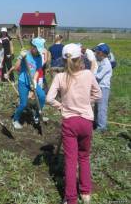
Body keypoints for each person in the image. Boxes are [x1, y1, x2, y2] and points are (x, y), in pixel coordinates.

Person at [46, 43, 102, 204]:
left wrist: (61, 106)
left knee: (70, 161)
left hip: (70, 122)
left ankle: (71, 198)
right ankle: (85, 193)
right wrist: (86, 102)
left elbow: (49, 99)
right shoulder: (88, 74)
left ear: (64, 61)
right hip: (86, 121)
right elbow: (98, 95)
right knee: (84, 157)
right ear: (80, 59)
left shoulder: (60, 77)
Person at [6, 48, 46, 129]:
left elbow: (38, 70)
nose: (37, 51)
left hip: (32, 81)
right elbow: (17, 67)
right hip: (23, 81)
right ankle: (15, 119)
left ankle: (37, 116)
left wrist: (34, 80)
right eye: (36, 49)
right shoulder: (25, 54)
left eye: (39, 50)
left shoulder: (39, 57)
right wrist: (21, 57)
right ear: (32, 47)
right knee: (23, 104)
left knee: (42, 96)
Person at [93, 43, 113, 132]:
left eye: (97, 52)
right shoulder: (103, 62)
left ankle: (102, 127)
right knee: (97, 106)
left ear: (102, 53)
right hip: (100, 87)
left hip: (103, 88)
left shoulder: (106, 64)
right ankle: (97, 123)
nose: (96, 53)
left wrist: (88, 76)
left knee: (102, 107)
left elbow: (98, 76)